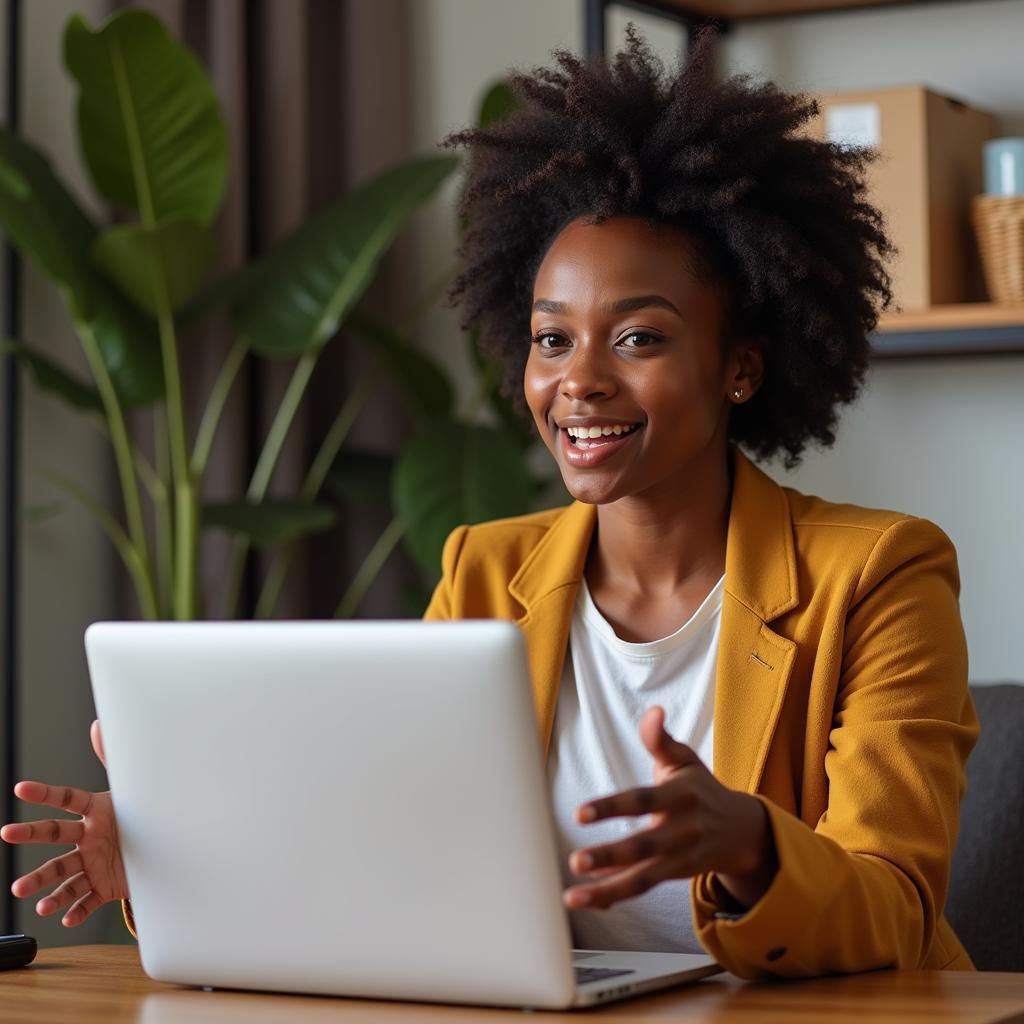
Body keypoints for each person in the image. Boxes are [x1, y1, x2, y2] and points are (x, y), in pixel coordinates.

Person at [2, 28, 977, 979]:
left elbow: (894, 902)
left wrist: (752, 843)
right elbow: (381, 856)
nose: (577, 381)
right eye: (551, 340)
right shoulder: (486, 568)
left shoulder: (878, 573)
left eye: (637, 338)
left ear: (740, 366)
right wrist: (173, 865)